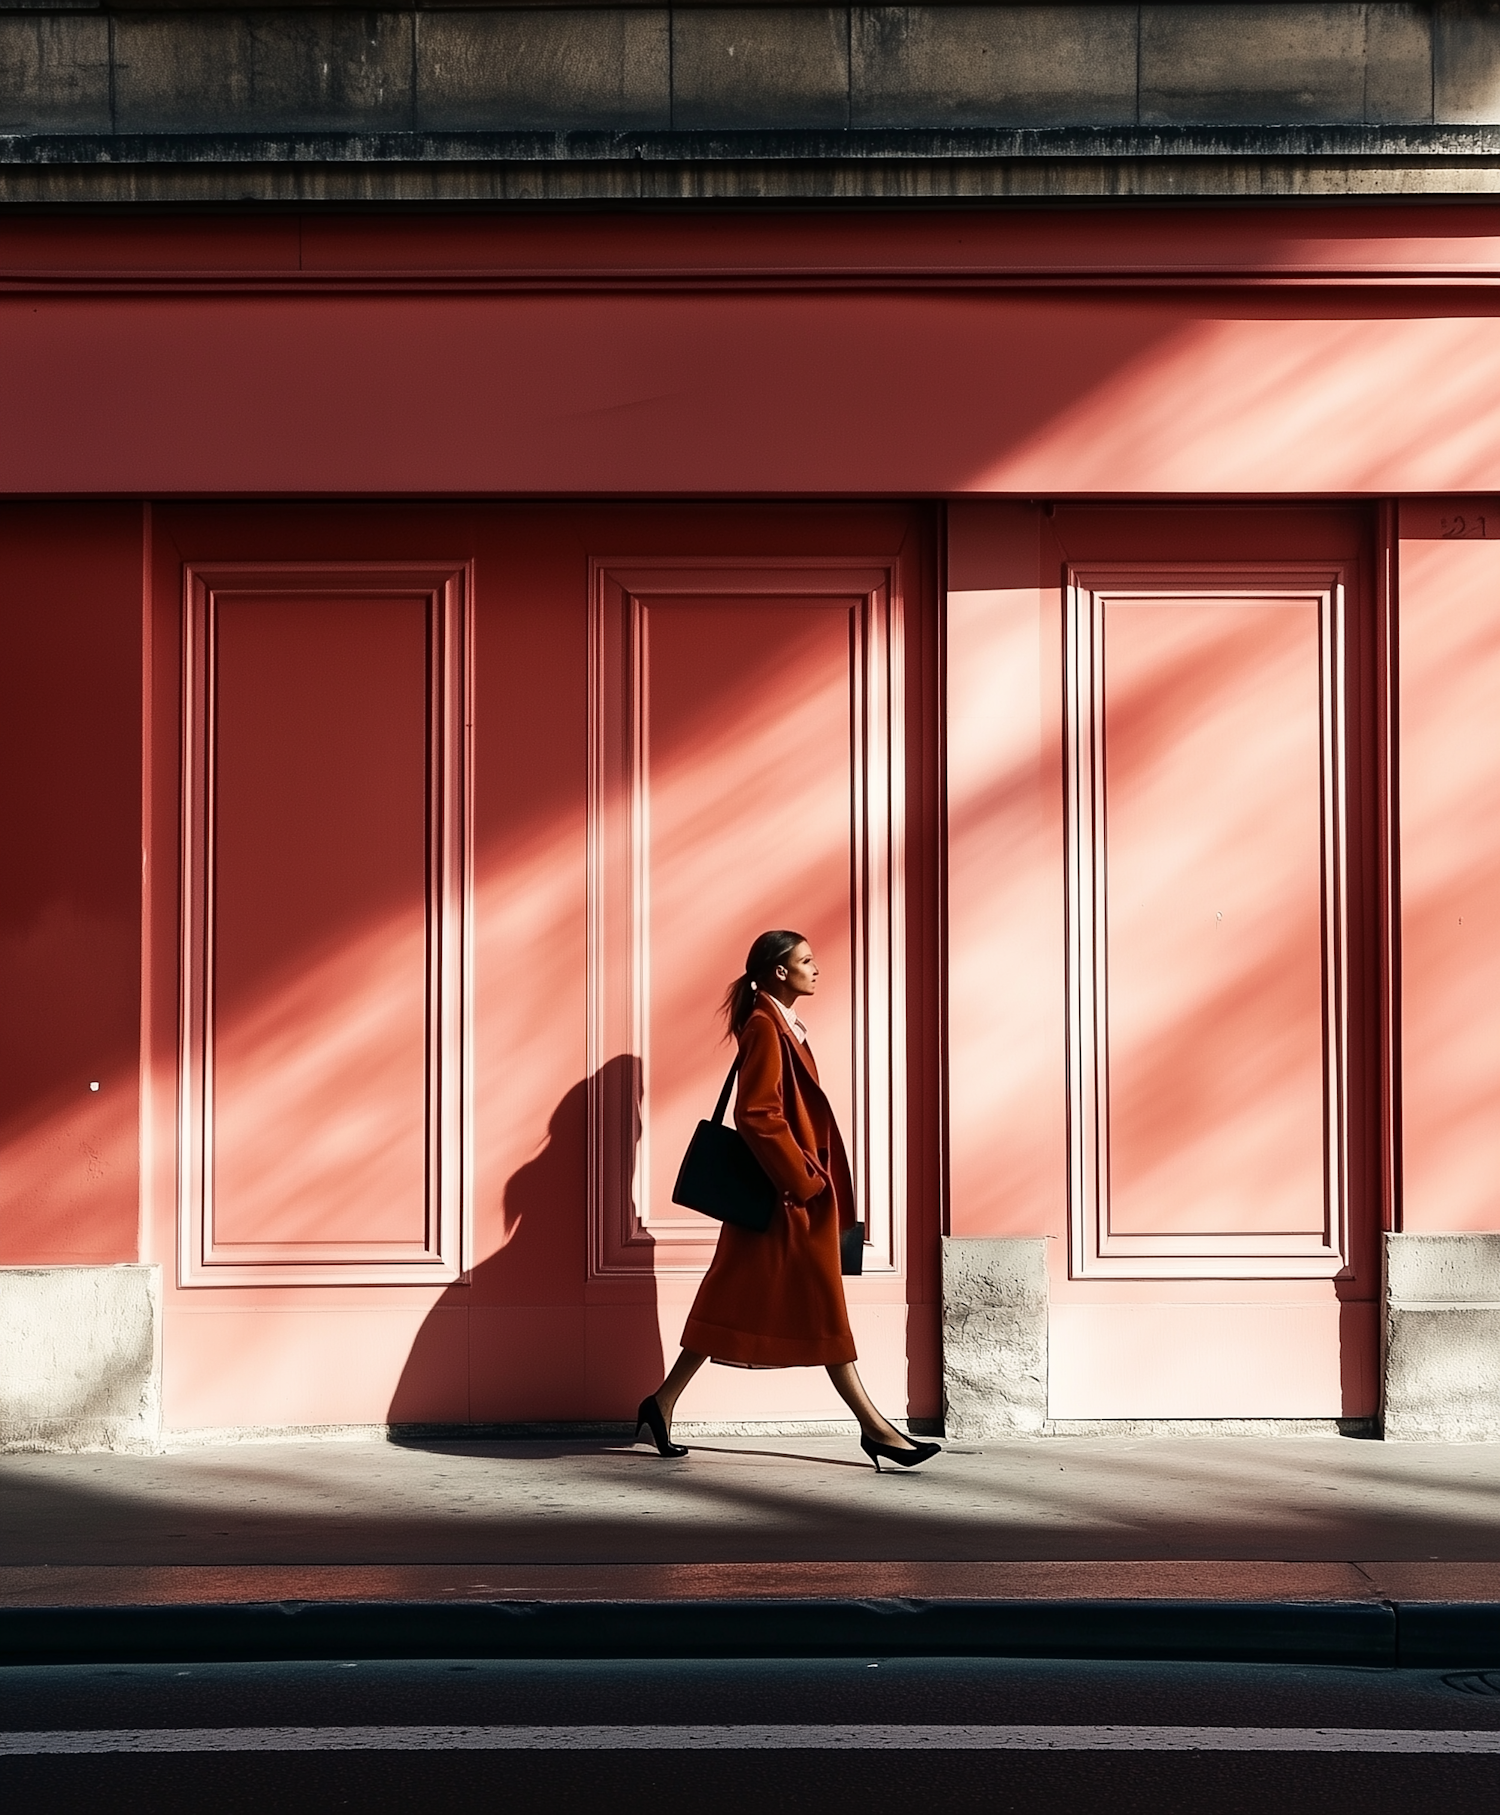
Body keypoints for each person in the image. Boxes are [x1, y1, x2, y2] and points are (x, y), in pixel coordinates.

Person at [635, 929, 940, 1472]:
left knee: (728, 1304)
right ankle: (876, 1430)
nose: (816, 968)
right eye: (805, 960)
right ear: (779, 972)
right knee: (823, 1309)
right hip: (786, 1202)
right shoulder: (764, 1027)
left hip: (781, 1202)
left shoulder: (781, 1026)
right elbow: (755, 1114)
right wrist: (804, 1180)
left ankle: (659, 1404)